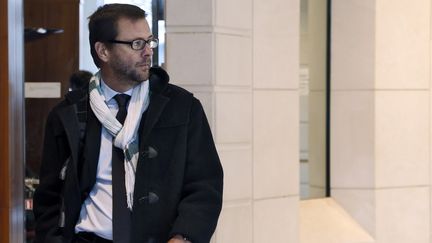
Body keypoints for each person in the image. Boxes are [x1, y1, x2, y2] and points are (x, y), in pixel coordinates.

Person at [33, 4, 223, 243]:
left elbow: (205, 184)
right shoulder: (68, 114)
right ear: (103, 51)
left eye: (149, 41)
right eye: (136, 44)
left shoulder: (182, 107)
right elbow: (49, 197)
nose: (147, 52)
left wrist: (184, 237)